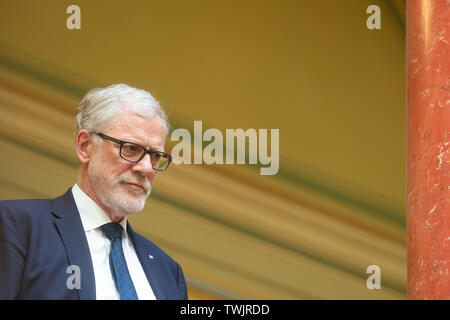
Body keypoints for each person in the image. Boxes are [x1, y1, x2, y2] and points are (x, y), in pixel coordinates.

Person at [0, 84, 188, 300]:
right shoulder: (18, 227)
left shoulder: (168, 272)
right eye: (130, 148)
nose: (146, 168)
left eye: (155, 155)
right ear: (85, 146)